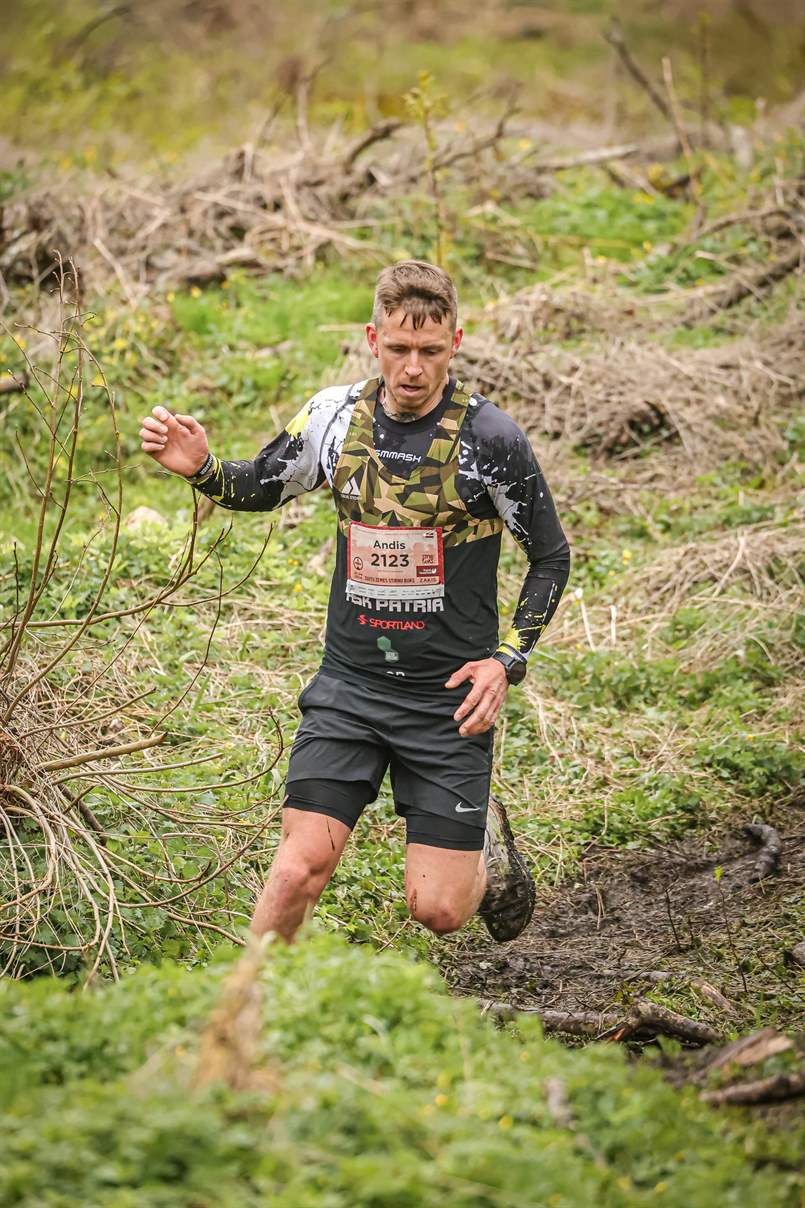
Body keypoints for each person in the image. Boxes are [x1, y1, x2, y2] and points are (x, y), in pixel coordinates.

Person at [140, 260, 570, 944]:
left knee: (437, 911)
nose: (412, 368)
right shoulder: (334, 418)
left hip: (446, 699)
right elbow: (263, 484)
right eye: (398, 348)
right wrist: (202, 468)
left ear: (455, 344)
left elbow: (550, 557)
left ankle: (485, 850)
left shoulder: (491, 441)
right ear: (373, 339)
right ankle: (241, 1004)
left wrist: (505, 661)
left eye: (430, 351)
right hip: (351, 686)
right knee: (295, 871)